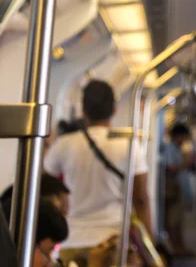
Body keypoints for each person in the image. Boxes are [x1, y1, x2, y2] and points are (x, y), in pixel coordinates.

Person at [44, 80, 151, 264]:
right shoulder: (129, 145)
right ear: (114, 110)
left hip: (71, 241)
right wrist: (149, 243)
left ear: (83, 111)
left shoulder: (64, 145)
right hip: (112, 242)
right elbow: (140, 199)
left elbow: (44, 186)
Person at [163, 122, 194, 256]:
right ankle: (177, 248)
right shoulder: (170, 148)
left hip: (178, 189)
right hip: (173, 190)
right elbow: (169, 167)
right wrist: (184, 164)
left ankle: (180, 247)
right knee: (174, 221)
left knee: (178, 220)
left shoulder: (176, 148)